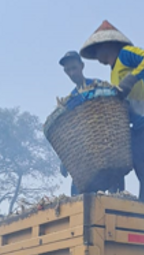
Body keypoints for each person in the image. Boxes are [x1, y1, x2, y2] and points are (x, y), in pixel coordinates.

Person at [80, 21, 144, 202]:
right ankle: (118, 200)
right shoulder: (113, 74)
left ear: (107, 45)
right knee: (116, 158)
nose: (96, 56)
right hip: (138, 126)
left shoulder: (126, 55)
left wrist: (132, 77)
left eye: (97, 50)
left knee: (141, 163)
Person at [58, 51, 96, 196]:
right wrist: (65, 158)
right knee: (77, 198)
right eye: (68, 70)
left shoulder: (97, 86)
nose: (72, 73)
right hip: (83, 160)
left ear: (82, 66)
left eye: (74, 68)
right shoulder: (70, 99)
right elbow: (70, 131)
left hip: (103, 153)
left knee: (114, 198)